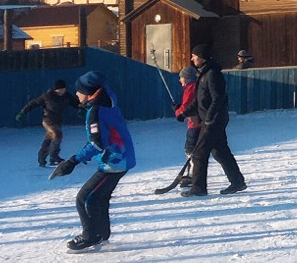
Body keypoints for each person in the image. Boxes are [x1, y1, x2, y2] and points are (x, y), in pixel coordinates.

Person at [49, 70, 136, 251]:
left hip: (114, 162)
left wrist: (73, 161)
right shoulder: (107, 103)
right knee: (99, 198)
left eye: (79, 91)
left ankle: (89, 236)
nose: (76, 94)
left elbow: (97, 144)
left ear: (88, 92)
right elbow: (104, 137)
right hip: (122, 158)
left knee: (84, 198)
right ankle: (102, 233)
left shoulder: (96, 111)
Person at [184, 44, 248, 196]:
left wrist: (209, 118)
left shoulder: (212, 74)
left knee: (199, 153)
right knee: (220, 152)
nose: (192, 58)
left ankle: (198, 188)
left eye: (194, 56)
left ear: (201, 57)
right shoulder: (203, 73)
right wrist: (183, 113)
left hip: (213, 121)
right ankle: (237, 182)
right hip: (211, 119)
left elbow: (217, 98)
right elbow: (199, 100)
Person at [15, 79, 81, 168]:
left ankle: (41, 158)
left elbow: (76, 104)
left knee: (49, 139)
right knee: (57, 135)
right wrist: (22, 113)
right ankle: (54, 158)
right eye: (59, 89)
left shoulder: (67, 96)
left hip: (58, 121)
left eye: (63, 89)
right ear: (55, 89)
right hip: (48, 120)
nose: (62, 91)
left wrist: (82, 109)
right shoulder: (47, 96)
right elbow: (33, 104)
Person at [155, 65, 200, 194]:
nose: (180, 80)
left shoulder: (191, 89)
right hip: (195, 122)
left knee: (191, 150)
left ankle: (193, 175)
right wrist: (180, 109)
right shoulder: (193, 88)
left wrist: (178, 112)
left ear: (187, 78)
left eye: (181, 77)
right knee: (194, 149)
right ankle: (193, 173)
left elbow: (188, 107)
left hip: (195, 123)